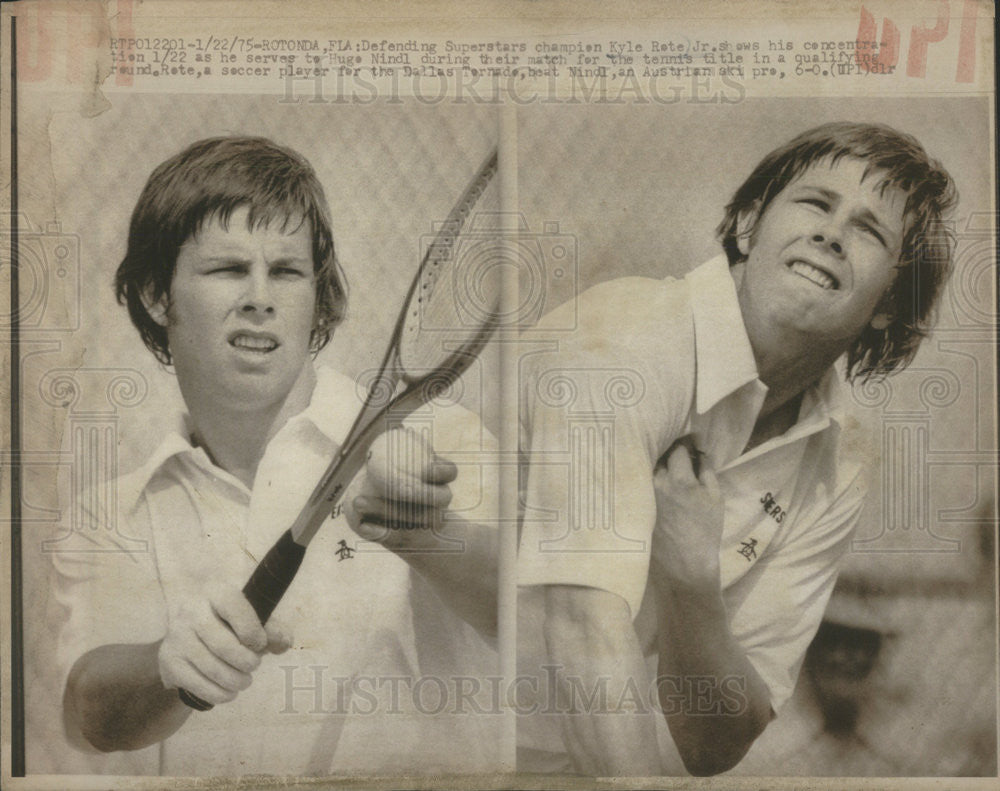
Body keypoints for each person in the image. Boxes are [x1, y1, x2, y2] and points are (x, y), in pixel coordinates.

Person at [517, 122, 958, 775]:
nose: (831, 234)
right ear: (750, 224)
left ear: (889, 305)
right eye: (815, 202)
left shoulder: (843, 454)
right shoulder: (625, 335)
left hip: (568, 760)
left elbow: (716, 741)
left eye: (869, 231)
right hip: (416, 721)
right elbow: (580, 624)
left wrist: (691, 582)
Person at [55, 136, 499, 775]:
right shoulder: (105, 513)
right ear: (157, 295)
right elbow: (81, 712)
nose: (261, 297)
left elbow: (538, 619)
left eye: (287, 271)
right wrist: (164, 666)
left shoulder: (441, 441)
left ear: (316, 298)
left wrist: (425, 536)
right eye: (228, 269)